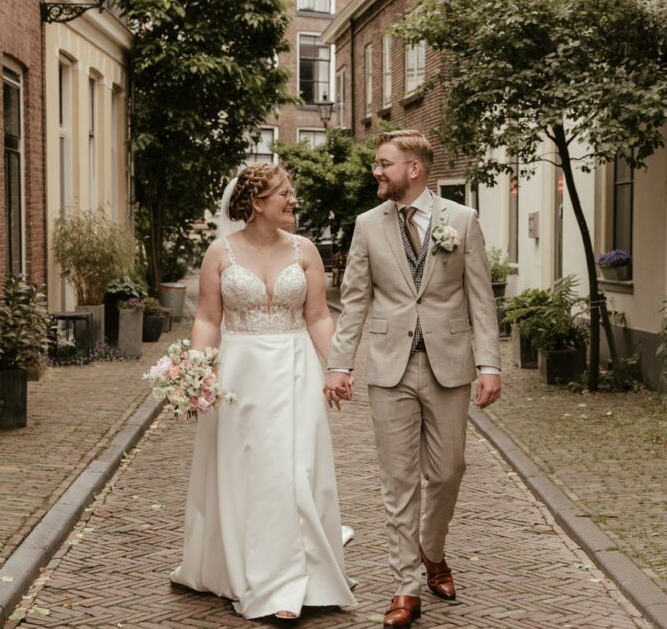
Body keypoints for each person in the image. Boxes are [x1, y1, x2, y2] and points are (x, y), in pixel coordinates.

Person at [324, 130, 502, 628]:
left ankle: (432, 549)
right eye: (377, 164)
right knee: (398, 480)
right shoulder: (367, 225)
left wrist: (490, 365)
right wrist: (340, 364)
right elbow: (354, 301)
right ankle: (406, 586)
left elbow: (481, 298)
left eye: (384, 163)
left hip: (449, 365)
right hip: (389, 367)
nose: (377, 171)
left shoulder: (462, 220)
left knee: (448, 470)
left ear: (413, 169)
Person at [170, 163, 357, 621]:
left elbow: (318, 316)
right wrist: (196, 372)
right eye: (284, 194)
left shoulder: (305, 250)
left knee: (296, 470)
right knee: (251, 474)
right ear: (256, 203)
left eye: (292, 192)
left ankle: (296, 577)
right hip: (241, 376)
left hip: (297, 371)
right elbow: (208, 319)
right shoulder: (220, 253)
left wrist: (337, 368)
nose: (294, 200)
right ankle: (261, 576)